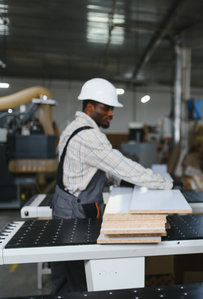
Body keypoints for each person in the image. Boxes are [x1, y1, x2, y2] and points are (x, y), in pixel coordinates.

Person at [50, 78, 172, 294]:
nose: (111, 114)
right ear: (89, 107)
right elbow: (123, 166)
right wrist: (164, 182)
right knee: (78, 282)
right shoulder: (90, 137)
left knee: (65, 278)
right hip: (76, 216)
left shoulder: (73, 128)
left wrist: (118, 180)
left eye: (112, 109)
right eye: (105, 108)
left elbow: (93, 168)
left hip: (65, 210)